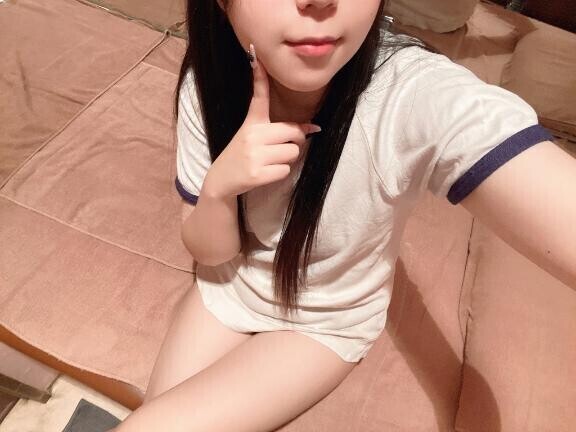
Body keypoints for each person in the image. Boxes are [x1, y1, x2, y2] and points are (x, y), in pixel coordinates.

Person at [112, 0, 575, 431]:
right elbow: (212, 253)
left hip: (321, 323)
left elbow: (487, 137)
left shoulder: (411, 94)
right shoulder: (208, 81)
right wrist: (219, 188)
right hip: (227, 286)